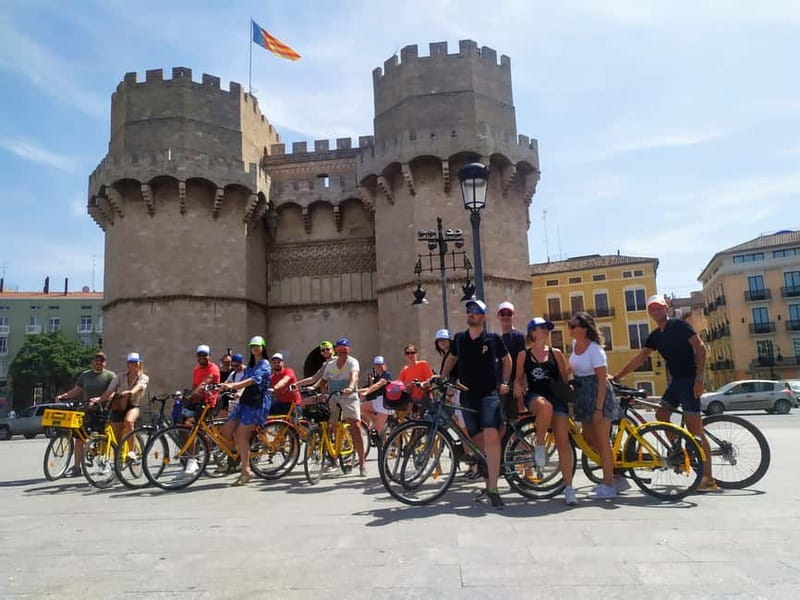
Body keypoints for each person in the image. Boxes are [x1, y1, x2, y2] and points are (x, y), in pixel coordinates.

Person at [612, 294, 718, 491]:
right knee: (661, 415)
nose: (656, 311)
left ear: (666, 308)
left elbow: (701, 348)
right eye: (652, 309)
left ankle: (708, 479)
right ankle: (678, 450)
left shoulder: (679, 326)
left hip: (690, 381)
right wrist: (618, 376)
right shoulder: (655, 336)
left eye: (659, 308)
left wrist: (699, 379)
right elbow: (640, 358)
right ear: (649, 312)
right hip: (675, 383)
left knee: (695, 430)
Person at [441, 299, 511, 510]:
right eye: (469, 310)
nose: (471, 313)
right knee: (478, 444)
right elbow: (451, 359)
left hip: (489, 394)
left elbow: (507, 359)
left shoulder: (493, 339)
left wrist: (505, 382)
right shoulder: (460, 339)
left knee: (491, 434)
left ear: (483, 316)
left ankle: (494, 490)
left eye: (475, 311)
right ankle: (490, 478)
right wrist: (440, 378)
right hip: (467, 395)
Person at [514, 318, 576, 505]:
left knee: (563, 443)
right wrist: (517, 387)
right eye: (541, 328)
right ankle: (539, 447)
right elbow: (519, 378)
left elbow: (563, 378)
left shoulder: (556, 353)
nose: (545, 331)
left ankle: (569, 488)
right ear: (532, 332)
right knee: (544, 406)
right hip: (535, 396)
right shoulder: (524, 355)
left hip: (557, 398)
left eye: (546, 328)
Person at [568, 311, 620, 499]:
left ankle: (609, 484)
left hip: (598, 396)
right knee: (589, 439)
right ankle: (616, 475)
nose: (570, 329)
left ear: (584, 328)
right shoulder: (574, 345)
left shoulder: (595, 349)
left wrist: (599, 408)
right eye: (569, 325)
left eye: (573, 326)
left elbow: (601, 379)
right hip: (582, 395)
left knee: (602, 441)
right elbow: (571, 367)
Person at [219, 336, 272, 486]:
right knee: (226, 430)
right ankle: (243, 452)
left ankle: (246, 470)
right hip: (245, 400)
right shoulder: (250, 365)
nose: (255, 348)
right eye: (252, 346)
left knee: (242, 435)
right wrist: (225, 386)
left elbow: (253, 380)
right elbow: (245, 381)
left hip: (257, 402)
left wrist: (235, 386)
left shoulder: (264, 363)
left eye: (257, 346)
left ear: (263, 347)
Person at [55, 352, 116, 477]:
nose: (98, 363)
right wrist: (64, 396)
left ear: (105, 363)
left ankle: (105, 463)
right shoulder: (85, 375)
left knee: (104, 437)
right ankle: (76, 468)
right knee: (79, 437)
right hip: (87, 410)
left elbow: (113, 393)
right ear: (93, 362)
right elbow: (76, 390)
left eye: (101, 361)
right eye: (96, 361)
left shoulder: (110, 375)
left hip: (103, 410)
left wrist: (99, 399)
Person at [320, 337, 367, 477]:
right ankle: (334, 459)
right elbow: (322, 382)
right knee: (330, 425)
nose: (342, 351)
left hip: (349, 396)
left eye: (345, 349)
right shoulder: (330, 365)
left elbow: (354, 376)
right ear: (336, 350)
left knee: (355, 426)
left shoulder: (353, 362)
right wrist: (324, 393)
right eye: (340, 349)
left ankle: (362, 463)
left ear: (348, 350)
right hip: (333, 396)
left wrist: (350, 387)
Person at [93, 352, 149, 462]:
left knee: (128, 422)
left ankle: (132, 451)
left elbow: (139, 386)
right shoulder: (120, 377)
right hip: (119, 406)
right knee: (117, 436)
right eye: (131, 362)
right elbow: (110, 390)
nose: (133, 364)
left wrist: (131, 392)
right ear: (128, 364)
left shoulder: (143, 377)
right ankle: (119, 459)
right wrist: (98, 401)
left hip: (133, 405)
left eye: (135, 362)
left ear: (140, 363)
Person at [177, 344, 221, 480]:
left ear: (209, 356)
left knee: (190, 426)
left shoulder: (213, 368)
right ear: (197, 356)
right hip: (197, 402)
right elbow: (195, 386)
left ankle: (193, 460)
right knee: (181, 427)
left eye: (205, 355)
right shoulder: (196, 370)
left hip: (209, 403)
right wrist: (185, 397)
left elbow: (204, 384)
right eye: (200, 355)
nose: (202, 357)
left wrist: (192, 395)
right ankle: (189, 459)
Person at [497, 301, 527, 421]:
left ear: (513, 315)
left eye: (508, 314)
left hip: (512, 386)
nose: (505, 317)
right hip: (502, 386)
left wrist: (518, 383)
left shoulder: (518, 337)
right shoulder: (499, 339)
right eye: (502, 314)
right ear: (498, 316)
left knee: (513, 421)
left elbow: (521, 360)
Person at [358, 356, 393, 439]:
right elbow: (371, 387)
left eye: (380, 364)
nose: (379, 366)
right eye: (377, 365)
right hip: (378, 401)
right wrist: (356, 391)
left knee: (377, 433)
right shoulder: (377, 376)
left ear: (384, 365)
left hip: (385, 403)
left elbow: (379, 384)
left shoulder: (387, 374)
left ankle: (385, 444)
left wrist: (367, 392)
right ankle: (374, 420)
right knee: (359, 408)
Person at [397, 344, 434, 412]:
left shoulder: (423, 364)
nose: (410, 355)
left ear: (416, 354)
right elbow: (398, 385)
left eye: (412, 353)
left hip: (425, 398)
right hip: (412, 401)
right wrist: (407, 386)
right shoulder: (405, 370)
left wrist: (423, 384)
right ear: (405, 355)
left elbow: (430, 379)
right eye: (407, 353)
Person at [217, 351, 234, 417]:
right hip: (222, 396)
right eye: (225, 362)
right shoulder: (219, 372)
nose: (227, 363)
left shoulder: (234, 372)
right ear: (222, 362)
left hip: (231, 395)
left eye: (229, 362)